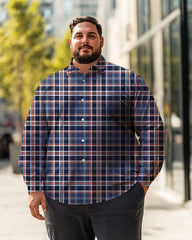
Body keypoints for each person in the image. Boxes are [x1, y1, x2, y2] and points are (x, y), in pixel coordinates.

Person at [19, 16, 165, 240]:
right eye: (79, 36)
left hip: (119, 196)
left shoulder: (129, 81)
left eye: (91, 35)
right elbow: (33, 140)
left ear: (101, 41)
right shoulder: (49, 87)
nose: (84, 40)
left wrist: (142, 184)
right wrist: (33, 187)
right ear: (71, 42)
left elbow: (152, 130)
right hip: (60, 200)